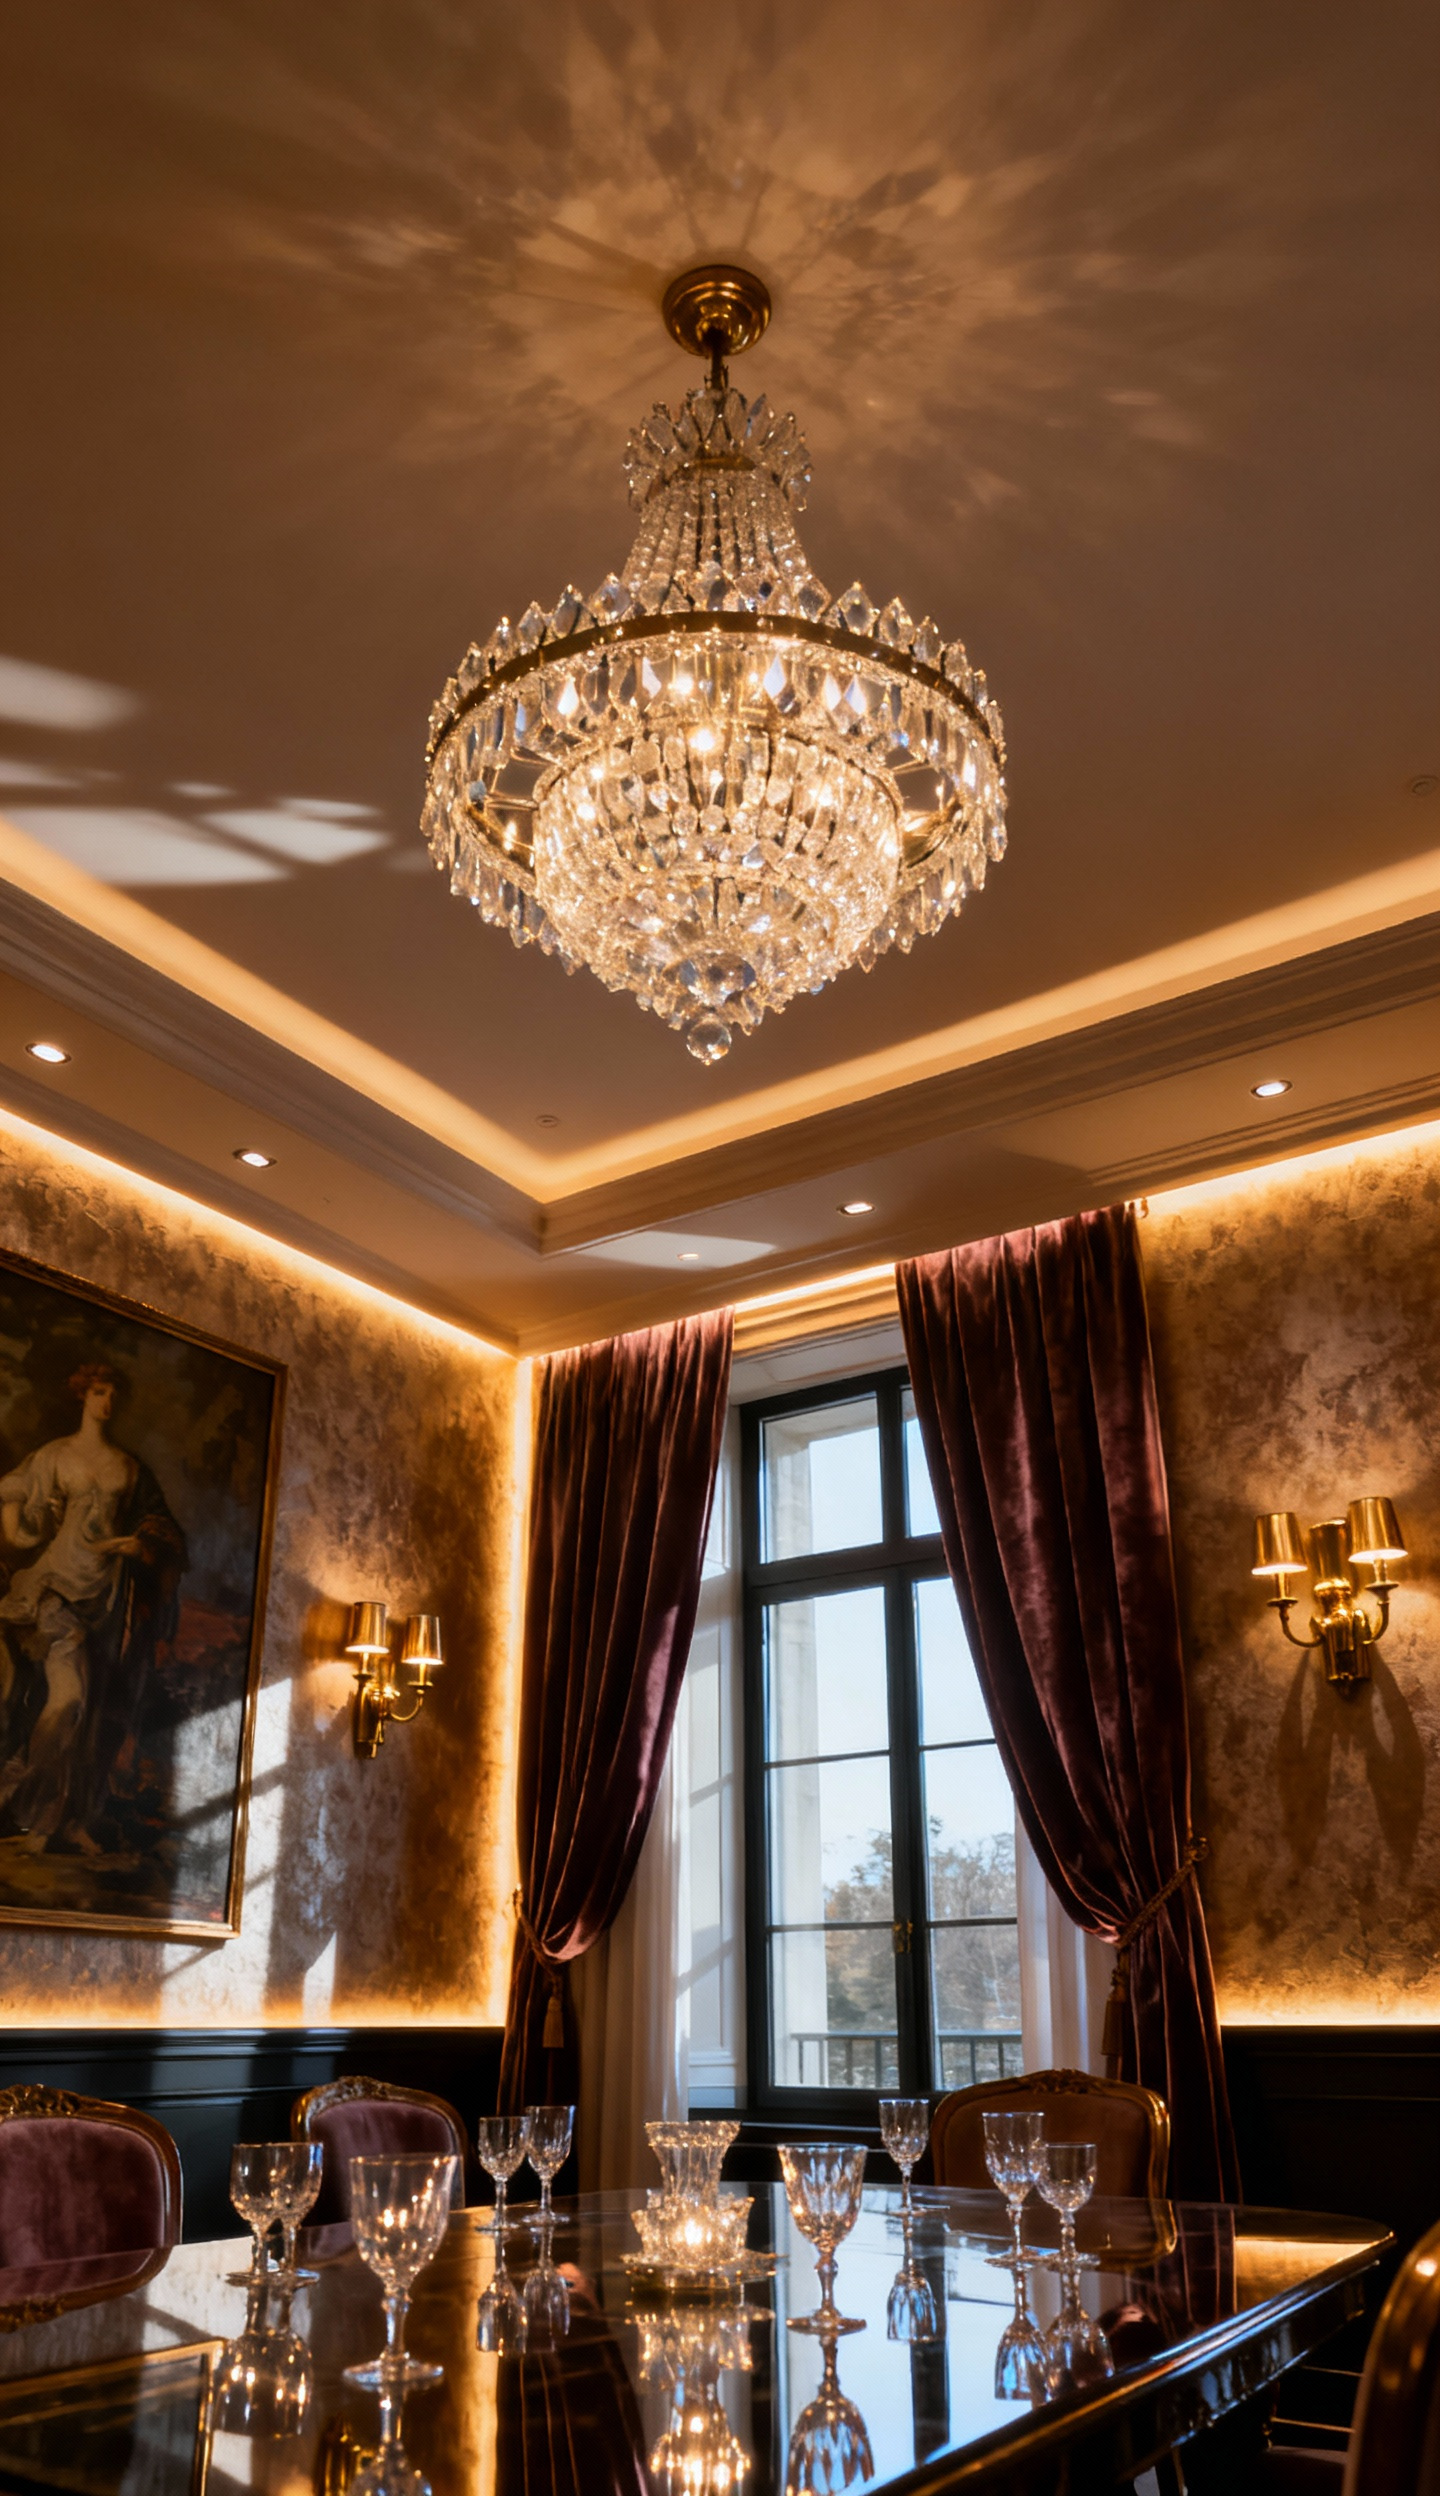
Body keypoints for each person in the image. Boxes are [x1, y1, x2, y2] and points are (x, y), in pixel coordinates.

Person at [0, 1362, 186, 1855]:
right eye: (99, 1392)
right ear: (82, 1395)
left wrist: (141, 1544)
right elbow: (17, 1517)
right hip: (57, 1587)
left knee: (97, 1714)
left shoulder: (129, 1467)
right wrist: (23, 1532)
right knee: (67, 1702)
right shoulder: (55, 1455)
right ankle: (20, 1805)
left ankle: (65, 1820)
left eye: (112, 1395)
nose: (106, 1403)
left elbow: (161, 1528)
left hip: (109, 1597)